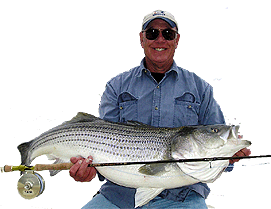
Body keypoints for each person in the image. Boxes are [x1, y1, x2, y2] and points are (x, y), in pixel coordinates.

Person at [69, 10, 251, 208]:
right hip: (120, 195)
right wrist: (90, 169)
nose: (160, 39)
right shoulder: (116, 86)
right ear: (142, 39)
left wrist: (229, 158)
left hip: (184, 197)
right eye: (152, 33)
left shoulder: (201, 89)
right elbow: (102, 144)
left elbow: (218, 152)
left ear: (177, 39)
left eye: (168, 34)